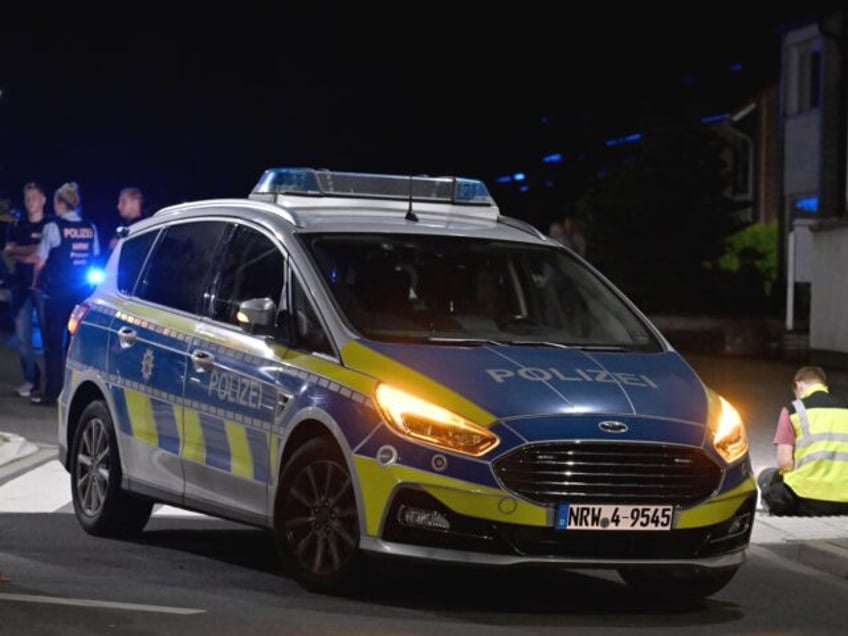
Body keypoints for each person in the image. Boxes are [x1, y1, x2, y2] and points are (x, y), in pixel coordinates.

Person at [28, 182, 100, 406]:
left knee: (52, 345)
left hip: (56, 294)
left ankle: (52, 393)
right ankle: (75, 395)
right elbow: (95, 255)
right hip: (81, 296)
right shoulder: (90, 227)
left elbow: (41, 260)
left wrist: (34, 283)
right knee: (76, 347)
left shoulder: (53, 227)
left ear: (60, 203)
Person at [757, 365, 848, 516]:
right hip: (846, 501)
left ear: (798, 385)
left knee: (763, 473)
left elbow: (785, 463)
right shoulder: (845, 408)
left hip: (807, 500)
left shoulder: (793, 410)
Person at [2, 182, 51, 397]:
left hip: (43, 287)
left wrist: (24, 252)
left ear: (43, 200)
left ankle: (51, 382)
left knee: (50, 337)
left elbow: (44, 252)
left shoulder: (50, 224)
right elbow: (9, 251)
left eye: (34, 197)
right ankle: (31, 379)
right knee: (23, 338)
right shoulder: (18, 225)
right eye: (27, 198)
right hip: (20, 286)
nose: (30, 202)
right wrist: (32, 252)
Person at [108, 186, 145, 252]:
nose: (118, 206)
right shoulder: (122, 226)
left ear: (135, 202)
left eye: (123, 202)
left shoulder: (145, 227)